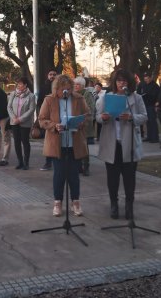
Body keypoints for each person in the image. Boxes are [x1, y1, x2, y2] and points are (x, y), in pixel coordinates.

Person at [96, 69, 147, 220]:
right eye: (118, 81)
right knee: (112, 179)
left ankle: (129, 206)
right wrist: (103, 117)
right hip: (112, 143)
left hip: (129, 143)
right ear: (114, 82)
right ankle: (114, 205)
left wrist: (131, 117)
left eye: (124, 81)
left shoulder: (136, 98)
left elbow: (144, 116)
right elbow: (98, 116)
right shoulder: (107, 97)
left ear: (129, 83)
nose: (121, 83)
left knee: (129, 178)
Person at [39, 74, 89, 217]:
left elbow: (87, 115)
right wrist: (55, 126)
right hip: (57, 142)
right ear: (56, 89)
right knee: (59, 174)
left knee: (74, 175)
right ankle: (58, 203)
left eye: (68, 89)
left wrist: (81, 123)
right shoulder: (49, 100)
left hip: (74, 142)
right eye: (62, 90)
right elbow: (42, 119)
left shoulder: (79, 99)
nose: (65, 92)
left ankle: (76, 202)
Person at [7, 76, 36, 170]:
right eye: (17, 84)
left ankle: (26, 162)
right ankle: (20, 162)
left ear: (25, 85)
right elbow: (9, 107)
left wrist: (21, 119)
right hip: (14, 122)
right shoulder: (13, 94)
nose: (18, 86)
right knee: (16, 142)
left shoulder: (31, 96)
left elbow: (31, 109)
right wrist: (14, 118)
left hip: (25, 122)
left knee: (25, 142)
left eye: (20, 84)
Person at [73, 76, 94, 175]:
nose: (75, 86)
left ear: (82, 86)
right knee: (76, 145)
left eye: (77, 84)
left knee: (84, 145)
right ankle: (78, 166)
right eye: (75, 84)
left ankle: (86, 166)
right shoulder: (72, 94)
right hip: (74, 123)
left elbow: (91, 109)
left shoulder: (87, 94)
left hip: (84, 124)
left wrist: (83, 120)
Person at [37, 69, 57, 170]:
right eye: (50, 74)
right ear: (47, 76)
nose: (52, 76)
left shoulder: (59, 87)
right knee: (49, 141)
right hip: (47, 119)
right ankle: (48, 163)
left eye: (54, 74)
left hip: (57, 118)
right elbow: (40, 102)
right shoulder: (44, 86)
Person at [137, 73, 160, 143]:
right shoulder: (144, 84)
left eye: (147, 79)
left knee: (152, 122)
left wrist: (148, 95)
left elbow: (156, 95)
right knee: (148, 122)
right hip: (145, 104)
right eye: (145, 79)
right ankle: (149, 136)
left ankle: (155, 138)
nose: (146, 81)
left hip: (151, 105)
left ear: (150, 78)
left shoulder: (155, 86)